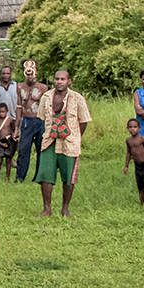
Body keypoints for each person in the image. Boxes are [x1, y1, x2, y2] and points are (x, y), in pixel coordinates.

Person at [34, 70, 91, 218]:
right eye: (57, 79)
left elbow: (83, 121)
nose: (59, 82)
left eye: (62, 79)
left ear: (69, 81)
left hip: (69, 143)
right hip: (49, 141)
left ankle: (65, 209)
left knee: (68, 177)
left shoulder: (77, 98)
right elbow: (42, 118)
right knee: (46, 175)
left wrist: (75, 137)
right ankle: (47, 209)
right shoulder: (46, 97)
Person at [15, 60, 48, 182]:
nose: (30, 76)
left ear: (36, 72)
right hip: (26, 121)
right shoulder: (19, 87)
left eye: (31, 73)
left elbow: (47, 108)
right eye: (27, 73)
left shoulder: (43, 88)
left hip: (40, 121)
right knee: (23, 150)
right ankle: (20, 177)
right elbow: (19, 107)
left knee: (41, 149)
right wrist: (16, 127)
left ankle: (39, 176)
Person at [0, 66, 18, 167]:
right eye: (3, 73)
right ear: (0, 74)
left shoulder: (16, 86)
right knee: (0, 137)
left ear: (11, 74)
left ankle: (10, 159)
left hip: (13, 117)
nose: (5, 75)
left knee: (13, 140)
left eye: (8, 73)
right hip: (0, 119)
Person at [0, 103, 15, 182]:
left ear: (7, 111)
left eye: (3, 112)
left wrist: (13, 137)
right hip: (0, 141)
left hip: (8, 141)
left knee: (8, 160)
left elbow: (13, 130)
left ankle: (7, 178)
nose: (1, 113)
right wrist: (0, 143)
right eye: (0, 112)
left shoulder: (10, 120)